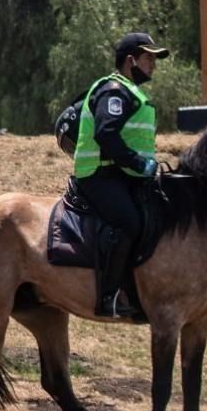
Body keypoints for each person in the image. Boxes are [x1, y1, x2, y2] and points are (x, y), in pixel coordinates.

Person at [69, 31, 168, 320]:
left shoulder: (132, 92)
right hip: (98, 175)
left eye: (154, 59)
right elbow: (105, 133)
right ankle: (109, 296)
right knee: (129, 222)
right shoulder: (114, 90)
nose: (153, 64)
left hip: (122, 175)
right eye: (148, 58)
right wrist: (138, 163)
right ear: (130, 60)